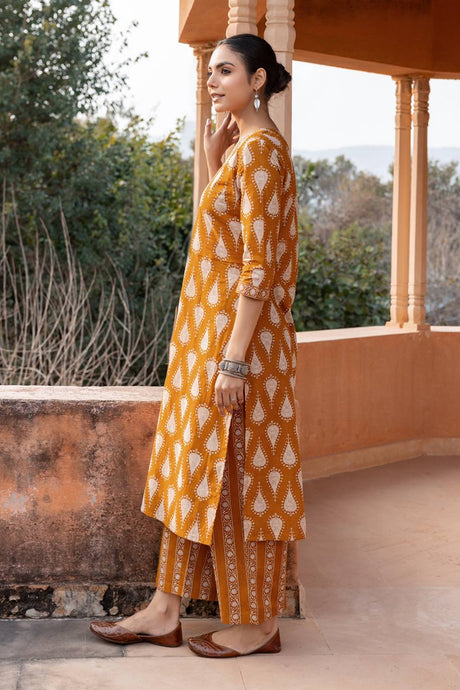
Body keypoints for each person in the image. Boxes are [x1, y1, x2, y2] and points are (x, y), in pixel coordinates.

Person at [90, 33, 306, 658]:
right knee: (196, 469)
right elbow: (229, 234)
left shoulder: (261, 153)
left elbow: (259, 267)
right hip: (211, 342)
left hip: (242, 347)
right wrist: (213, 159)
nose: (212, 81)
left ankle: (259, 624)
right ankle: (164, 611)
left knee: (243, 480)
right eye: (210, 71)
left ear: (258, 79)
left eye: (226, 70)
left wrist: (234, 359)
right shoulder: (242, 151)